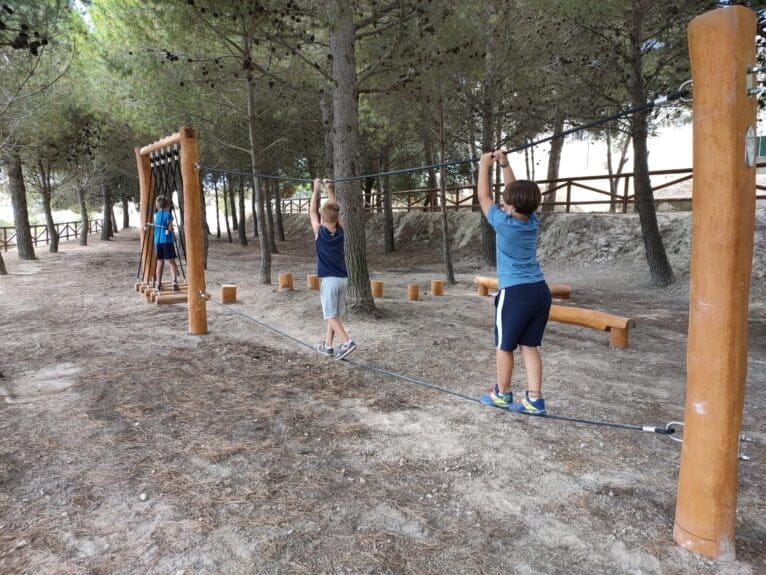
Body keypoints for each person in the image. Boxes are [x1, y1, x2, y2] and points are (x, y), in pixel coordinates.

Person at [477, 150, 552, 414]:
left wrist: (484, 165)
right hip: (539, 291)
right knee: (529, 345)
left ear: (510, 205)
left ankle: (502, 394)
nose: (503, 202)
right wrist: (505, 163)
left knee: (504, 346)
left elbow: (484, 197)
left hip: (515, 293)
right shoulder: (532, 220)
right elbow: (515, 192)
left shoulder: (504, 222)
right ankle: (534, 398)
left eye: (506, 200)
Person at [310, 178, 357, 360]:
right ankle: (328, 346)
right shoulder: (341, 230)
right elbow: (335, 209)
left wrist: (316, 188)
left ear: (322, 219)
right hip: (343, 279)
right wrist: (329, 188)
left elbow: (312, 210)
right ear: (337, 218)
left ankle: (347, 342)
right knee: (333, 314)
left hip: (329, 281)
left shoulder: (319, 231)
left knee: (329, 315)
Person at [152, 196, 179, 292]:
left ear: (158, 205)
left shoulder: (157, 215)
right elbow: (170, 228)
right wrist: (172, 228)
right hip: (167, 241)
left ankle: (158, 284)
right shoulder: (168, 214)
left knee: (160, 262)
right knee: (172, 262)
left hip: (158, 241)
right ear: (167, 204)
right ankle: (174, 282)